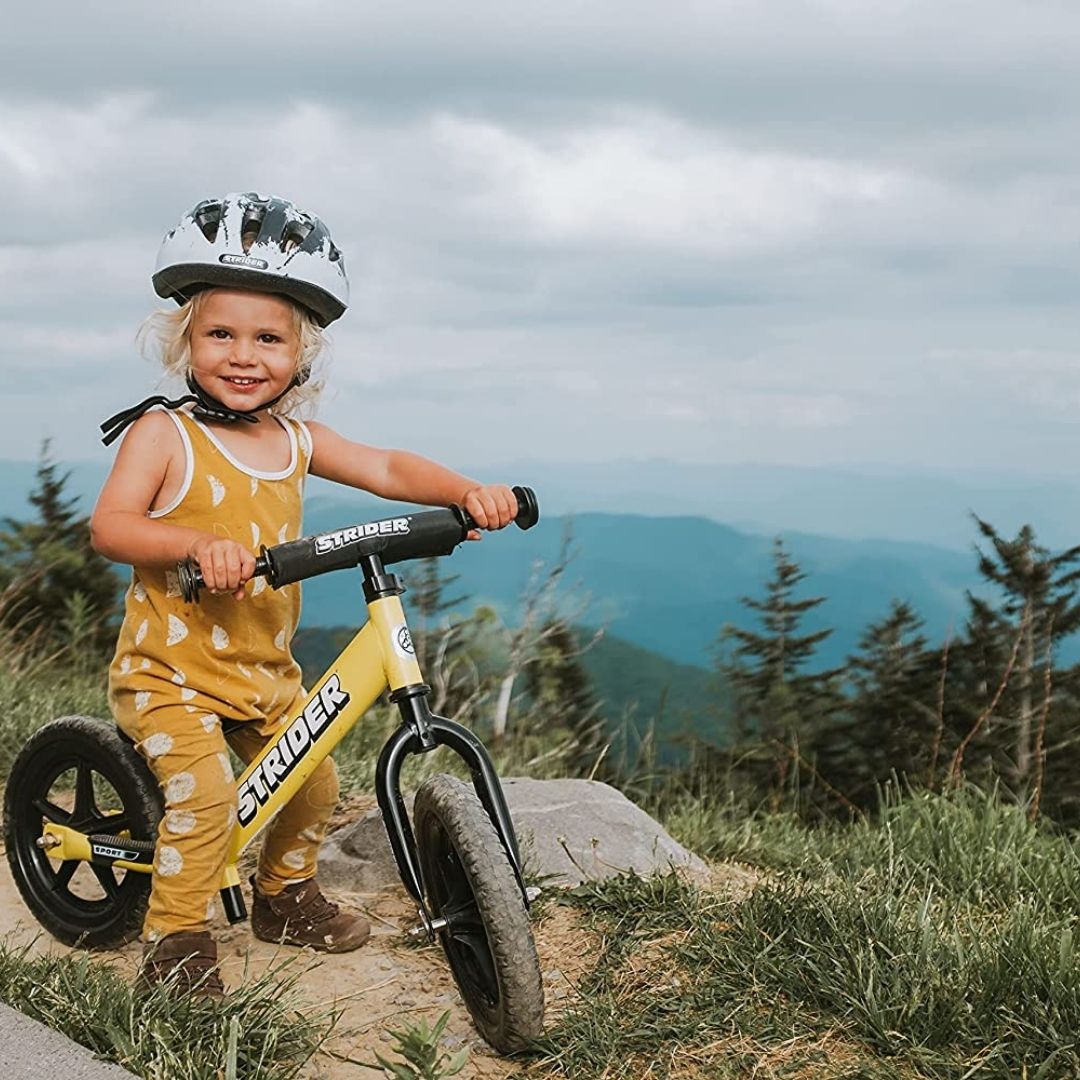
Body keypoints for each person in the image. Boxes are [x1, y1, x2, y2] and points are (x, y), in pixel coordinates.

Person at [90, 193, 519, 996]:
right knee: (207, 797)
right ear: (184, 340)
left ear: (301, 354)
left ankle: (283, 897)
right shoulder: (166, 433)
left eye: (268, 338)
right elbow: (112, 527)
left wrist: (466, 493)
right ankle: (175, 942)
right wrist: (194, 544)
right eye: (221, 334)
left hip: (262, 672)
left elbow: (389, 469)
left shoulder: (293, 440)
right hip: (168, 675)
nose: (244, 355)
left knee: (312, 781)